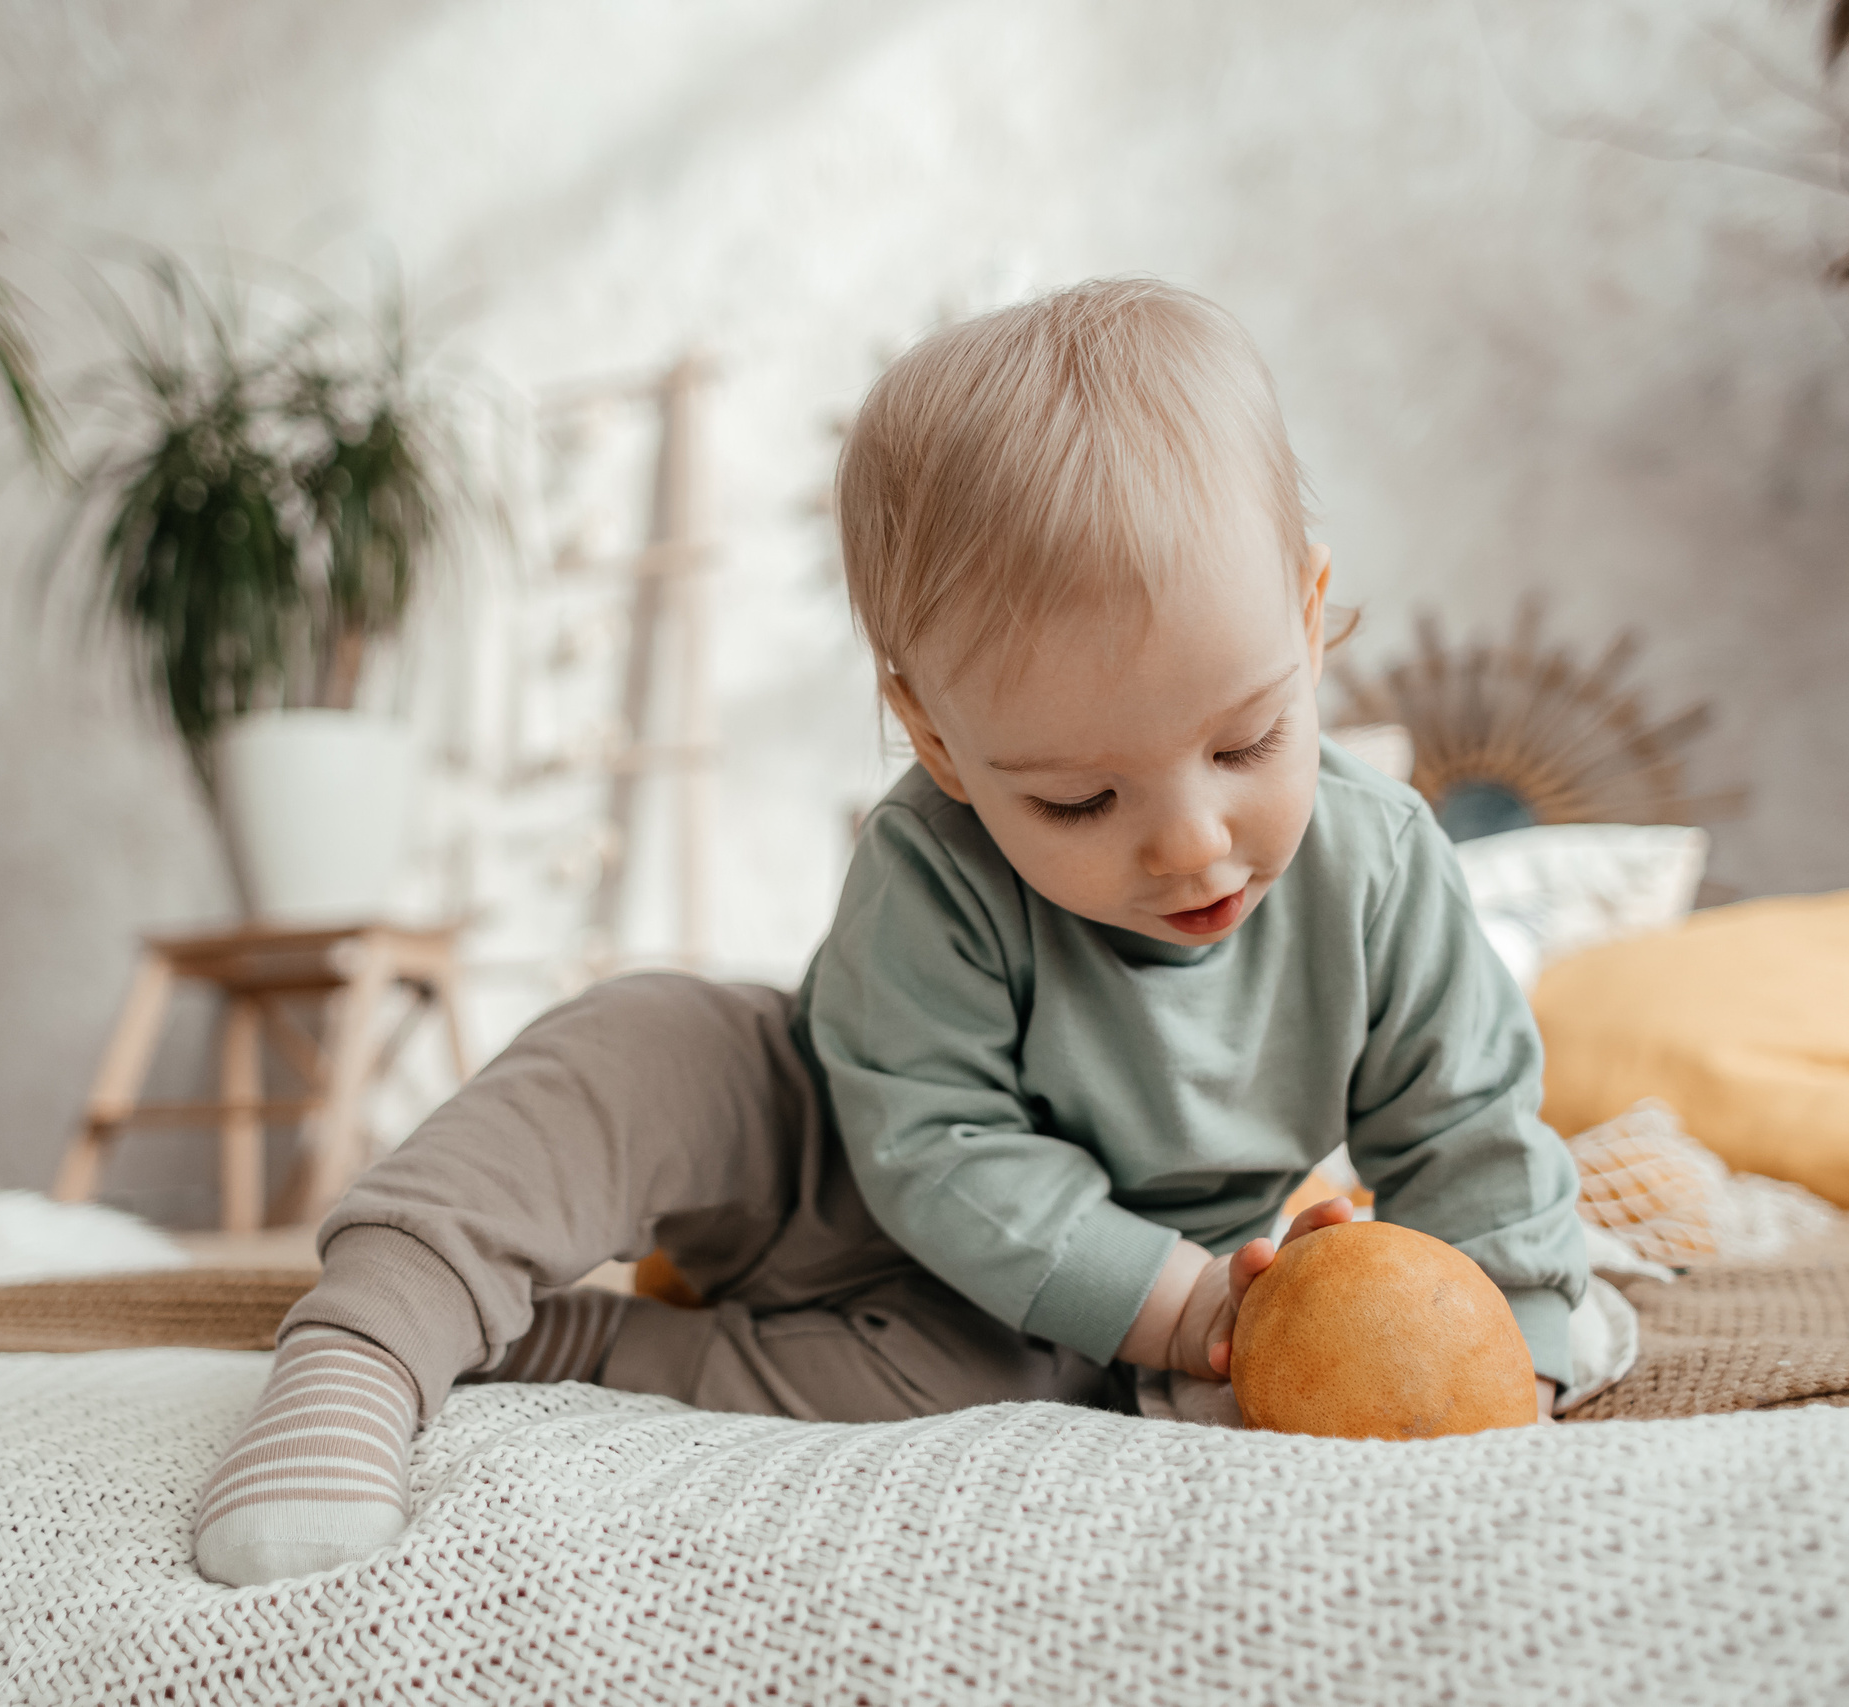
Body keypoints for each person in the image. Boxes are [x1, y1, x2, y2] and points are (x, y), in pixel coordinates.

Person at [190, 278, 1589, 1589]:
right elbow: (936, 1147)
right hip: (809, 1154)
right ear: (940, 738)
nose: (1189, 842)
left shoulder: (1383, 869)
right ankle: (363, 1351)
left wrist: (1514, 1350)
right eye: (1078, 797)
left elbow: (1467, 1125)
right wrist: (1175, 1305)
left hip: (1031, 1312)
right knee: (637, 1048)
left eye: (1248, 743)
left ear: (1307, 615)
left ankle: (592, 1343)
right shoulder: (929, 860)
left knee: (980, 1400)